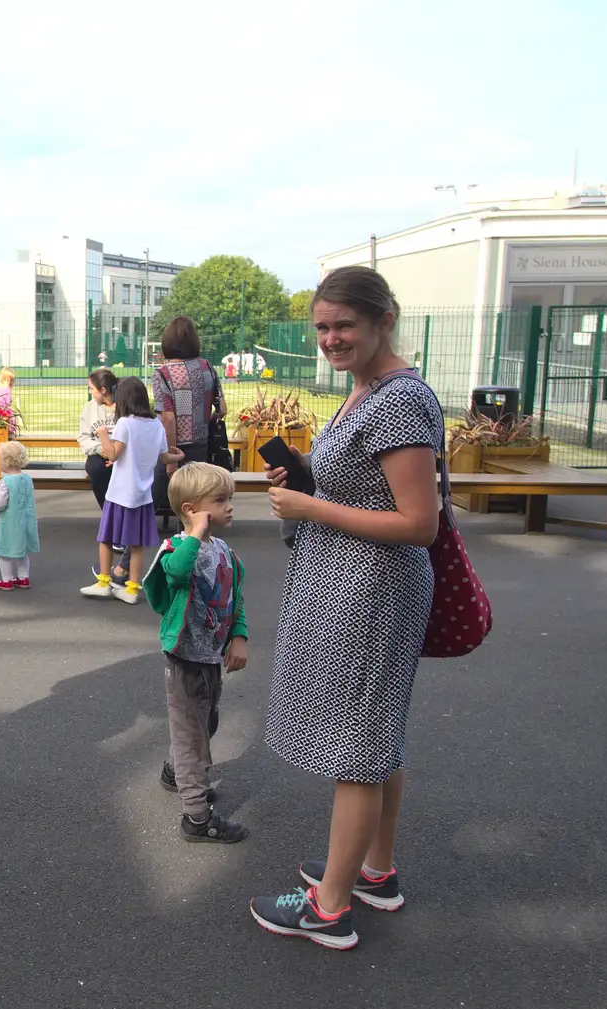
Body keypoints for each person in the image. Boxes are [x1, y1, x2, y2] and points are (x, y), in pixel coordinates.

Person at [249, 266, 441, 951]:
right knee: (376, 732)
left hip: (374, 591)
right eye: (323, 327)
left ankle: (329, 908)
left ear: (382, 319)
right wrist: (306, 472)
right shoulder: (369, 390)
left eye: (344, 326)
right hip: (353, 582)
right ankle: (373, 870)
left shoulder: (396, 401)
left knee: (358, 745)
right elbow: (370, 489)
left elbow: (421, 521)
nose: (331, 338)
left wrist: (308, 504)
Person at [141, 462, 248, 843]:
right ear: (191, 509)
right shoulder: (176, 549)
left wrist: (239, 635)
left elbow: (235, 597)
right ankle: (197, 818)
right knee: (192, 738)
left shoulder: (222, 551)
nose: (230, 506)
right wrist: (195, 534)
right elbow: (176, 575)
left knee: (206, 725)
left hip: (210, 660)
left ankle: (176, 772)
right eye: (220, 500)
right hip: (185, 661)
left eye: (229, 498)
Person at [80, 377, 180, 604]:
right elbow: (164, 457)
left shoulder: (125, 423)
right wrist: (178, 456)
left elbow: (114, 454)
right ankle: (132, 589)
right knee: (136, 544)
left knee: (105, 537)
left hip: (120, 492)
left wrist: (103, 436)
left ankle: (104, 582)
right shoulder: (156, 424)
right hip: (142, 494)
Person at [152, 316, 226, 471]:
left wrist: (171, 460)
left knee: (163, 494)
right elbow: (222, 409)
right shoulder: (207, 367)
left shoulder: (163, 374)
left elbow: (168, 419)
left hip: (172, 447)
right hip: (202, 446)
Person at [0, 440, 39, 590]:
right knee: (22, 550)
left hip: (9, 521)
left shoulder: (5, 482)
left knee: (4, 550)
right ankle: (23, 577)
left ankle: (7, 579)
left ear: (5, 461)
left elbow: (1, 501)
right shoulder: (27, 478)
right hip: (26, 519)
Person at [78, 369, 119, 507]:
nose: (90, 392)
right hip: (98, 453)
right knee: (96, 468)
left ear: (103, 390)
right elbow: (83, 438)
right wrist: (100, 448)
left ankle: (124, 514)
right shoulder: (88, 408)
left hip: (121, 454)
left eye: (91, 388)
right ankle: (108, 511)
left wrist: (116, 453)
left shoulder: (124, 406)